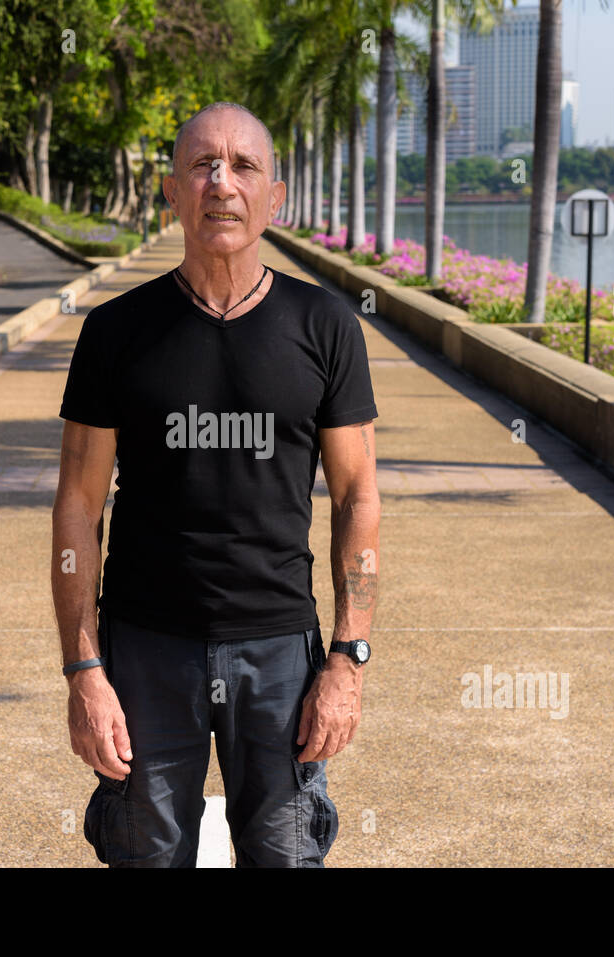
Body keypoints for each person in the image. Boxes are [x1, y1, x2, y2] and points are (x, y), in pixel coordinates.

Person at [51, 101, 380, 867]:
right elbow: (77, 509)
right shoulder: (115, 332)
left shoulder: (325, 325)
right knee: (143, 855)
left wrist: (347, 659)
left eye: (243, 166)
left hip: (280, 657)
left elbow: (358, 495)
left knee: (284, 855)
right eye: (202, 165)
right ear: (171, 192)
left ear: (276, 197)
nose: (221, 183)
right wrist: (84, 670)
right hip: (143, 652)